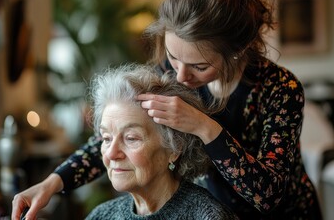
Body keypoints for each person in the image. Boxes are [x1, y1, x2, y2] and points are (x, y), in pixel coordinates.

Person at [12, 0, 322, 219]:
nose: (181, 76)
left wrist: (204, 126)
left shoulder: (280, 89)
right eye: (174, 57)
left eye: (200, 66)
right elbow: (119, 135)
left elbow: (267, 196)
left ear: (237, 51)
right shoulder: (167, 73)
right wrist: (53, 183)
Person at [85, 64, 237, 219]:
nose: (111, 153)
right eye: (106, 138)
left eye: (131, 138)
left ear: (174, 148)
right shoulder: (100, 215)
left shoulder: (208, 216)